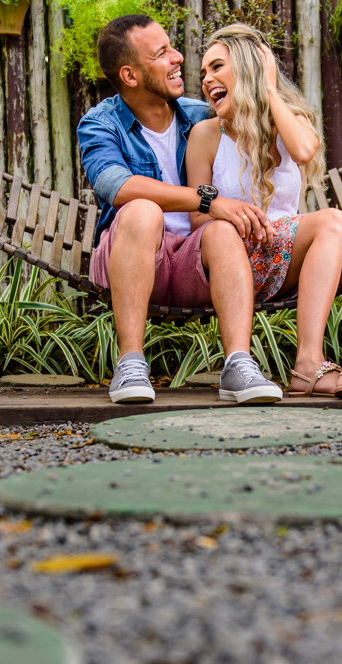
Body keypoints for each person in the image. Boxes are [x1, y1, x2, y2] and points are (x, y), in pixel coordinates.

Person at [185, 24, 342, 397]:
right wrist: (234, 213)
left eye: (217, 67)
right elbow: (197, 217)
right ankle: (308, 364)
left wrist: (268, 89)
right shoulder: (205, 135)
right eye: (203, 72)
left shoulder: (286, 121)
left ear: (249, 68)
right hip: (238, 260)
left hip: (290, 259)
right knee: (332, 220)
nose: (207, 79)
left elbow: (303, 150)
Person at [77, 15, 284, 404]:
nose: (177, 58)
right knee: (142, 210)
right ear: (131, 75)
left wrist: (263, 79)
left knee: (221, 230)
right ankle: (131, 362)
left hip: (195, 261)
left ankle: (239, 365)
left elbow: (266, 126)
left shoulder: (202, 114)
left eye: (171, 46)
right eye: (161, 53)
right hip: (133, 256)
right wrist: (207, 199)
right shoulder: (100, 124)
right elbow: (115, 185)